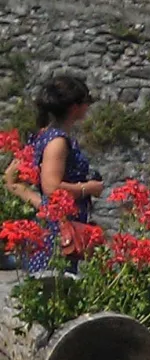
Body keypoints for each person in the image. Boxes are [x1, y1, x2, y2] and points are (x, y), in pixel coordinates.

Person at [4, 75, 103, 273]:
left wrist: (41, 203)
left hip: (53, 225)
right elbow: (51, 187)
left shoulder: (44, 135)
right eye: (85, 103)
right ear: (75, 107)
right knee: (56, 282)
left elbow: (11, 180)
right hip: (58, 233)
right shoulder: (57, 141)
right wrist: (88, 188)